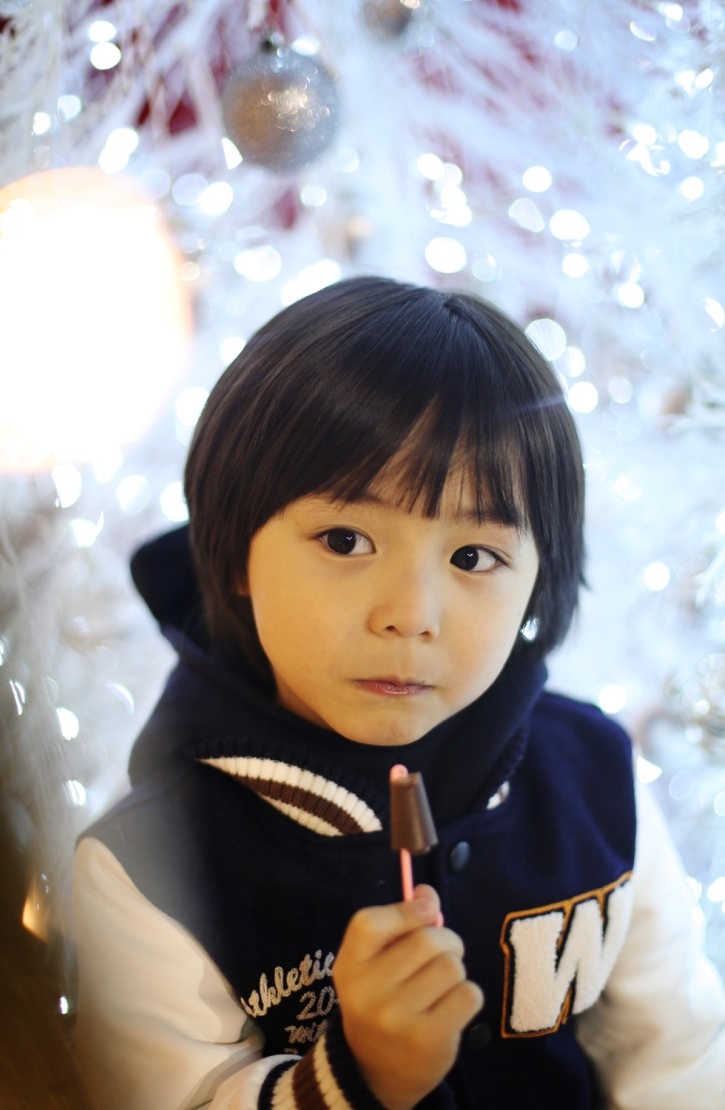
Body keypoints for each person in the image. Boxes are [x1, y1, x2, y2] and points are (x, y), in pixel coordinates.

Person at [72, 276, 725, 1109]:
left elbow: (677, 1057)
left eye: (473, 558)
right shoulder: (150, 864)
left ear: (538, 580)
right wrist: (357, 1077)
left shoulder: (596, 777)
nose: (411, 615)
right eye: (346, 540)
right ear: (233, 554)